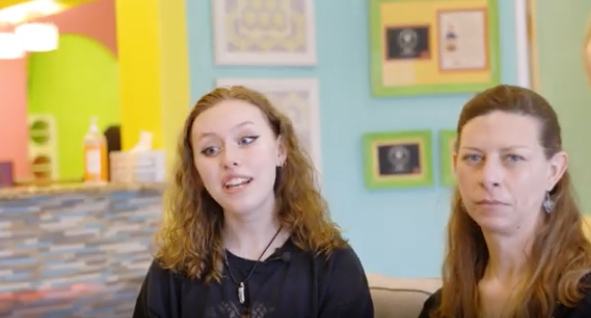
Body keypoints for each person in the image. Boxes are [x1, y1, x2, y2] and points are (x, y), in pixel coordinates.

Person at [133, 86, 373, 318]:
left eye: (246, 140)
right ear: (195, 172)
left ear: (280, 150)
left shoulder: (332, 264)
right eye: (210, 150)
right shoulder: (171, 270)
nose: (229, 160)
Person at [419, 85, 591, 318]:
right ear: (455, 165)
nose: (489, 177)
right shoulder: (439, 308)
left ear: (554, 171)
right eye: (473, 157)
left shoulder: (584, 296)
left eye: (513, 158)